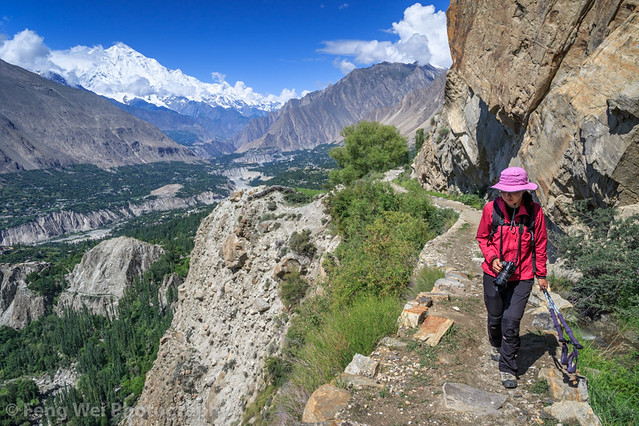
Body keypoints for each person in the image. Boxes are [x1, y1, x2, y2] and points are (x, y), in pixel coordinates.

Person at [476, 167, 549, 389]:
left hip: (523, 275)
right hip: (494, 273)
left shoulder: (535, 213)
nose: (508, 195)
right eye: (504, 191)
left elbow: (541, 245)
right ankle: (495, 344)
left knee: (511, 321)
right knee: (495, 316)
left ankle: (508, 367)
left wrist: (541, 275)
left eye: (513, 191)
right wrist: (491, 257)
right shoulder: (491, 209)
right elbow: (482, 237)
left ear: (524, 191)